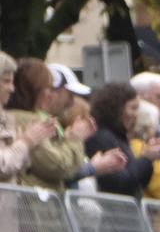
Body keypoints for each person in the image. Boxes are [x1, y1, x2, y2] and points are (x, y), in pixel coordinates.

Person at [6, 59, 124, 192]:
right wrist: (75, 139)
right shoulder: (29, 121)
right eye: (70, 94)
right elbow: (56, 166)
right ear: (36, 89)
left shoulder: (37, 120)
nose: (72, 101)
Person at [84, 80, 160, 199]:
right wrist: (145, 159)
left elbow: (138, 182)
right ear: (116, 108)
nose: (136, 114)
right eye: (132, 108)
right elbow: (120, 182)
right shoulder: (101, 137)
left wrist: (148, 160)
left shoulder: (119, 136)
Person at [0, 52, 57, 182]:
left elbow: (19, 168)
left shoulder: (7, 118)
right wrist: (26, 141)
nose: (12, 89)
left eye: (12, 82)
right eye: (6, 81)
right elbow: (3, 166)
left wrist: (20, 145)